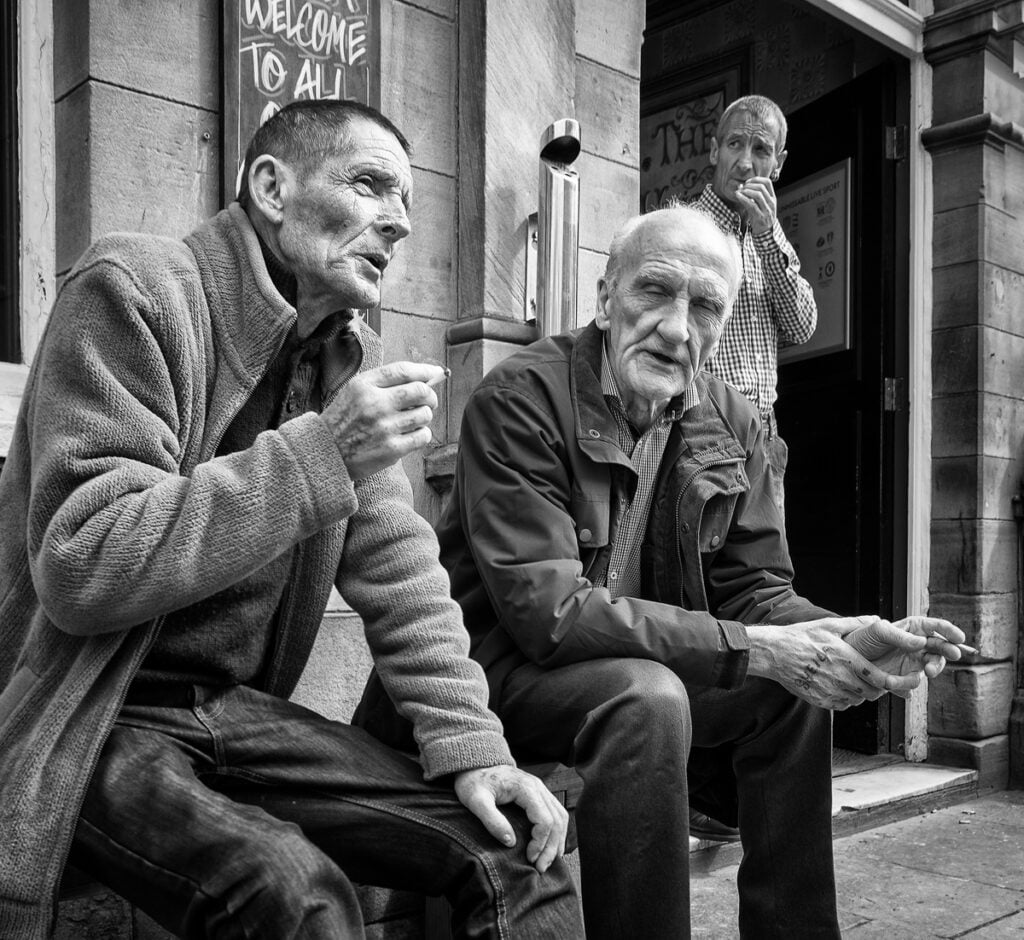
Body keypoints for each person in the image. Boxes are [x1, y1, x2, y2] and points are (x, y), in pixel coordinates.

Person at [0, 100, 584, 940]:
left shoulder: (347, 358)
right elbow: (83, 564)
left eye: (408, 205)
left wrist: (477, 751)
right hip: (94, 716)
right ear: (271, 187)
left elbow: (401, 574)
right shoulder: (134, 291)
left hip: (236, 713)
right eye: (370, 184)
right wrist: (322, 453)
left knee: (517, 846)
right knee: (293, 888)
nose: (398, 223)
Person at [358, 203, 967, 939]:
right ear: (606, 297)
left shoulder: (734, 423)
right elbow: (547, 615)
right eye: (655, 291)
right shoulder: (521, 399)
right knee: (649, 696)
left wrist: (841, 635)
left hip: (628, 673)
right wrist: (760, 649)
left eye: (705, 305)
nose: (678, 328)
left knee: (789, 694)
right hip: (495, 675)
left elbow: (755, 589)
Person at [694, 94, 815, 517]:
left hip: (764, 437)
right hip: (699, 429)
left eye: (761, 150)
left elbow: (802, 327)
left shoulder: (770, 240)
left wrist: (767, 233)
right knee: (700, 572)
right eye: (734, 145)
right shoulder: (687, 228)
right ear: (714, 150)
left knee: (762, 574)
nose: (746, 163)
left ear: (778, 164)